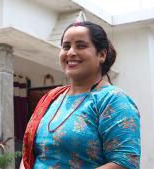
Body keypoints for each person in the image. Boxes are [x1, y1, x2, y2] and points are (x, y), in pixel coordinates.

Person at [20, 21, 140, 169]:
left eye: (81, 46)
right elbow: (29, 154)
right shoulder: (52, 98)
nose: (70, 52)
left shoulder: (112, 99)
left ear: (101, 55)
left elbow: (125, 163)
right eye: (66, 46)